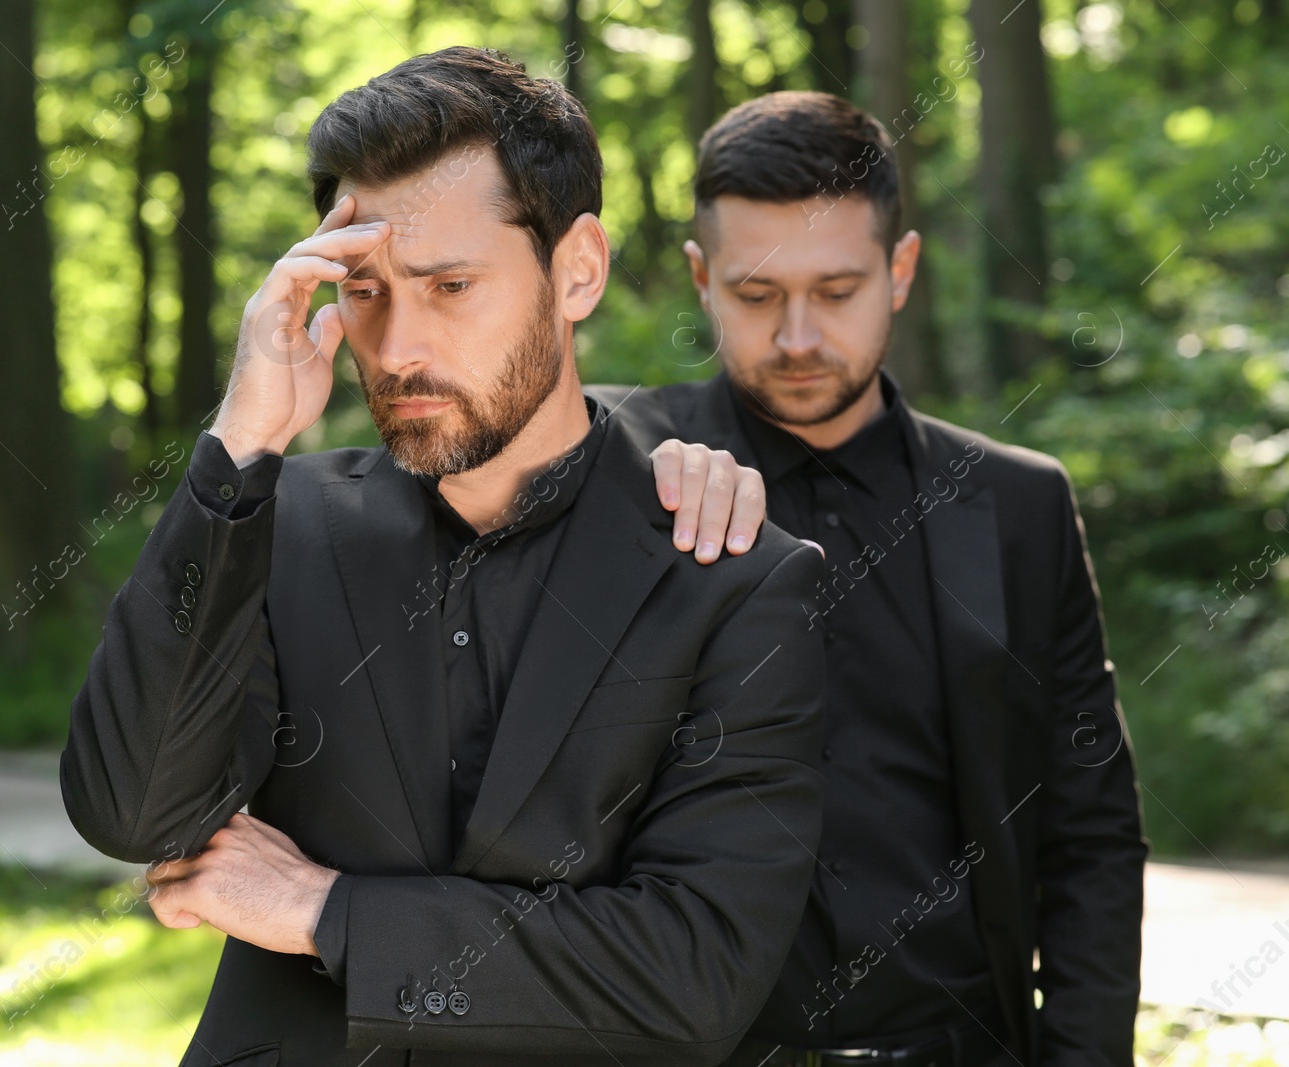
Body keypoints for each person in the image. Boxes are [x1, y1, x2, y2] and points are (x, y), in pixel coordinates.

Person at [61, 48, 829, 1067]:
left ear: (578, 269)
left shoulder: (734, 574)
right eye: (367, 289)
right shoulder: (272, 522)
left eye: (450, 283)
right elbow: (131, 807)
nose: (399, 344)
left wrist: (325, 910)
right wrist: (240, 444)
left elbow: (690, 975)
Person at [588, 91, 1147, 1067]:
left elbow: (1088, 833)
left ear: (901, 270)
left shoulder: (1019, 505)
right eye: (756, 294)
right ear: (699, 278)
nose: (798, 336)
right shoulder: (610, 465)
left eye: (836, 290)